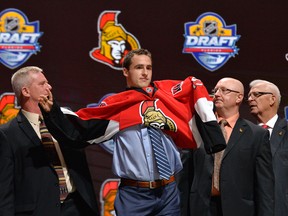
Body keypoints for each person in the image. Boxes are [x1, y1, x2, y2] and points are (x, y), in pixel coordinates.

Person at [39, 48, 226, 216]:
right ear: (126, 71)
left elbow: (194, 93)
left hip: (168, 189)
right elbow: (82, 128)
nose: (145, 73)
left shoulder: (167, 100)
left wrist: (212, 134)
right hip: (134, 195)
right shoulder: (117, 107)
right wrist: (53, 112)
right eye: (139, 67)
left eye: (148, 68)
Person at [0, 66, 99, 216]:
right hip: (40, 210)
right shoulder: (7, 134)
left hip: (78, 206)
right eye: (42, 84)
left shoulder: (66, 121)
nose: (49, 87)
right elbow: (4, 187)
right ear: (26, 91)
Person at [190, 77, 274, 216]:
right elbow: (186, 174)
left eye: (224, 90)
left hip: (239, 208)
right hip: (201, 207)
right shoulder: (198, 128)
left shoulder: (257, 135)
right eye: (216, 90)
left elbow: (264, 185)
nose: (217, 94)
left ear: (239, 97)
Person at [248, 79, 288, 216]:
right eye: (249, 96)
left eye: (256, 94)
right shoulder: (244, 134)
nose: (250, 99)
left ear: (272, 99)